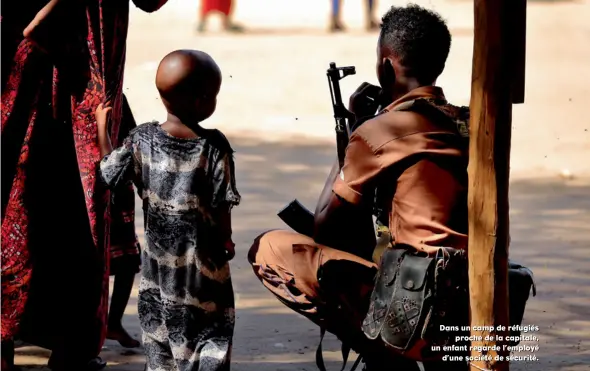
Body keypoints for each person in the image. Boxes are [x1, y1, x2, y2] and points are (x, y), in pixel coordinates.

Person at [248, 4, 469, 370]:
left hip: (419, 301)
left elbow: (325, 227)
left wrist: (354, 132)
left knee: (269, 249)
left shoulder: (381, 131)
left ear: (385, 66)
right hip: (468, 292)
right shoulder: (470, 123)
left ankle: (384, 357)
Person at [0, 1, 168, 370]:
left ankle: (18, 342)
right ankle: (66, 345)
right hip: (74, 85)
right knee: (68, 203)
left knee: (29, 200)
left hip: (39, 83)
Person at [97, 49, 241, 371]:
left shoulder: (142, 139)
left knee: (159, 330)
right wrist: (227, 239)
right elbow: (222, 203)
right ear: (204, 100)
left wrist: (101, 130)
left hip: (159, 267)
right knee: (211, 331)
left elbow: (111, 173)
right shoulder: (215, 146)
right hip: (203, 263)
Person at [106, 94, 142, 349]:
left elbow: (132, 141)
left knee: (128, 261)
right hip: (94, 188)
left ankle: (113, 322)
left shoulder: (116, 95)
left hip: (119, 193)